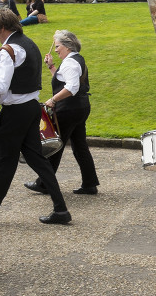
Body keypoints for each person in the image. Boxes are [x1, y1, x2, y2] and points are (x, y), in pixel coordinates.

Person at [0, 8, 72, 228]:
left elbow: (0, 86)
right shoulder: (29, 43)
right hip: (31, 108)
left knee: (3, 163)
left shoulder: (9, 50)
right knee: (37, 160)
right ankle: (61, 209)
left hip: (15, 112)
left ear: (2, 28)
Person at [24, 30, 100, 195]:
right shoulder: (74, 60)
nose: (56, 49)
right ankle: (89, 183)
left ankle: (44, 183)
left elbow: (71, 87)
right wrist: (51, 67)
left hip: (69, 109)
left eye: (57, 46)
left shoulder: (70, 63)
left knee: (55, 146)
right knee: (80, 146)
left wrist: (53, 100)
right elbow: (63, 80)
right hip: (80, 108)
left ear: (67, 46)